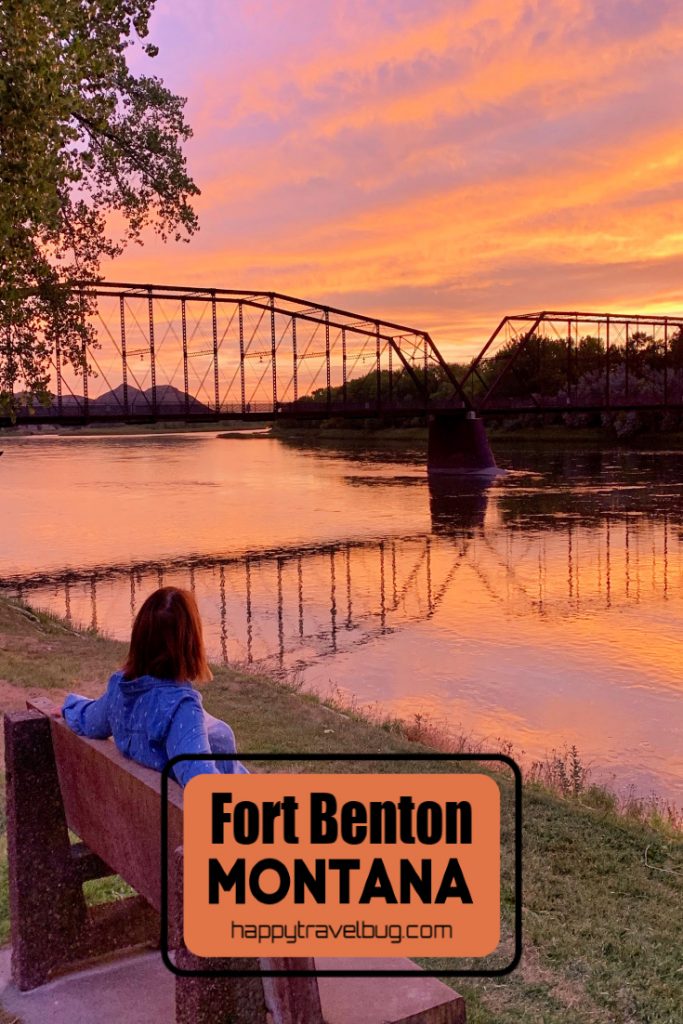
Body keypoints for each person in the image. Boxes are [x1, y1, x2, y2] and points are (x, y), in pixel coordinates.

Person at [61, 586, 247, 786]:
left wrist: (69, 706)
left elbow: (90, 722)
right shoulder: (180, 709)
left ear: (140, 638)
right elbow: (203, 786)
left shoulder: (121, 689)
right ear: (191, 641)